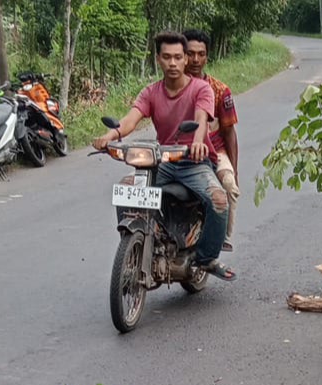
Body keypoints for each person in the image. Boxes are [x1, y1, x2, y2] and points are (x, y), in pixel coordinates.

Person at [92, 31, 236, 281]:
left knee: (220, 200)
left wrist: (199, 142)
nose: (172, 63)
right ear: (157, 59)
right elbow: (131, 119)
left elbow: (201, 119)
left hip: (194, 161)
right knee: (126, 188)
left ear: (184, 60)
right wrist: (111, 135)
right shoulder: (151, 92)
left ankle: (206, 257)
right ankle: (136, 242)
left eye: (178, 57)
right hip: (164, 161)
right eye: (166, 57)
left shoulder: (202, 89)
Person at [183, 28, 241, 252]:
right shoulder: (172, 86)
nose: (195, 59)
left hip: (213, 152)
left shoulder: (219, 91)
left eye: (201, 53)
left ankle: (222, 238)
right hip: (177, 152)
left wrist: (233, 170)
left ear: (207, 56)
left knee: (229, 186)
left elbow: (229, 132)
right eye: (190, 53)